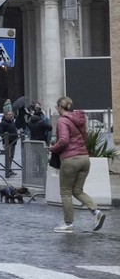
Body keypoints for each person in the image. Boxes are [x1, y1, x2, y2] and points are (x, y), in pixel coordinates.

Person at [49, 95, 106, 232]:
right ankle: (96, 212)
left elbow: (64, 140)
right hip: (84, 158)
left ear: (59, 107)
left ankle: (68, 223)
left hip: (71, 160)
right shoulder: (78, 119)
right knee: (77, 190)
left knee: (66, 192)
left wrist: (53, 148)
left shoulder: (63, 121)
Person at [0, 107, 19, 177]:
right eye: (9, 115)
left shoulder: (12, 122)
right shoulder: (3, 123)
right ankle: (7, 169)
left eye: (11, 115)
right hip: (8, 142)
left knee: (11, 156)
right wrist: (6, 137)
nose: (11, 116)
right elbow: (0, 133)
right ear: (6, 115)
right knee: (8, 156)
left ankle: (9, 169)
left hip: (13, 142)